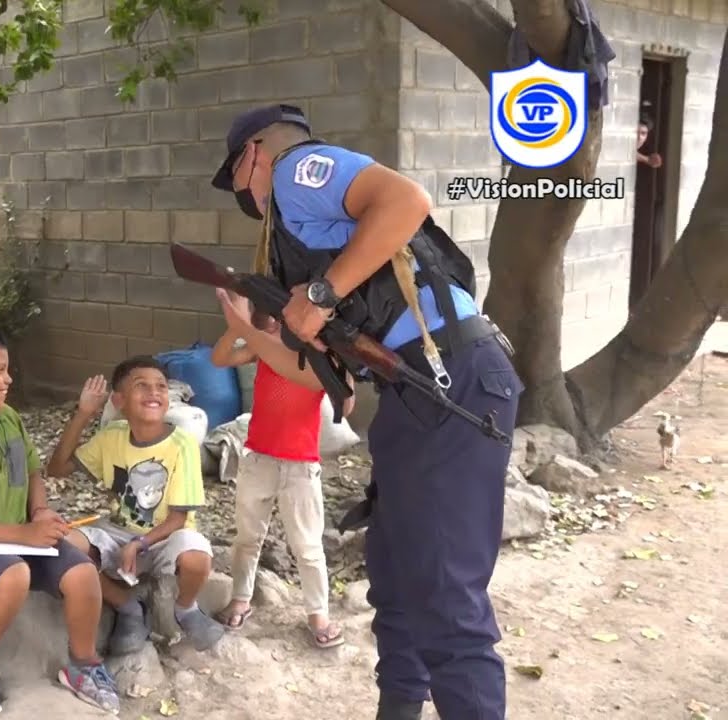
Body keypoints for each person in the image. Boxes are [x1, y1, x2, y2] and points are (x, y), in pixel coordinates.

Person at [207, 104, 523, 720]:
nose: (244, 197)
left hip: (448, 380)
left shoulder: (297, 170)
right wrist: (258, 329)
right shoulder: (307, 235)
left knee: (443, 592)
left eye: (240, 180)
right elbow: (317, 375)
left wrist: (322, 295)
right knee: (399, 574)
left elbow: (406, 200)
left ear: (253, 155)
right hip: (416, 391)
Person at [0, 320, 121, 719]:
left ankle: (83, 664)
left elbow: (32, 471)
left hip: (23, 539)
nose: (9, 379)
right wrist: (24, 534)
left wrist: (41, 511)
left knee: (82, 574)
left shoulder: (8, 417)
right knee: (14, 575)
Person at [46, 357, 225, 655]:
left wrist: (140, 543)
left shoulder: (182, 444)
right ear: (119, 400)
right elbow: (57, 468)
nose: (154, 393)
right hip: (118, 532)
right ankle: (128, 607)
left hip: (166, 538)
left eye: (161, 387)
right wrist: (83, 414)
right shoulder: (112, 437)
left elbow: (180, 518)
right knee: (62, 545)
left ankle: (185, 609)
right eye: (141, 386)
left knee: (197, 555)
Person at [209, 304, 348, 649]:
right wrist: (237, 324)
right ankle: (242, 598)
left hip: (301, 466)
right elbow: (221, 358)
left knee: (308, 546)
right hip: (258, 460)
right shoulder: (265, 346)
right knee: (247, 537)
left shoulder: (321, 355)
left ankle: (318, 613)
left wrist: (331, 359)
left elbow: (344, 406)